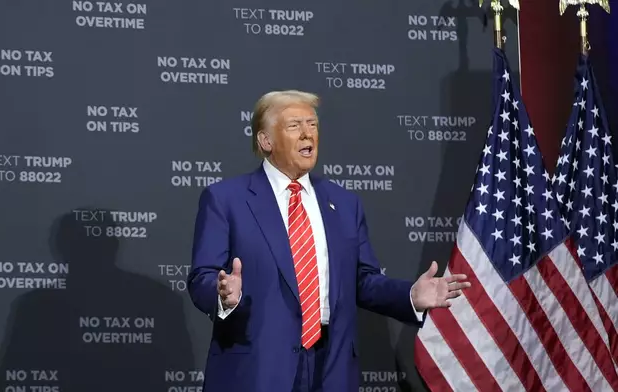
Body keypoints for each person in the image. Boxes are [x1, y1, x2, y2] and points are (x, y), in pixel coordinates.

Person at [187, 90, 470, 392]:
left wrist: (410, 296)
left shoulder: (345, 204)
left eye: (313, 124)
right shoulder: (226, 199)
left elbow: (363, 280)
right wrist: (223, 296)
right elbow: (202, 276)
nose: (308, 134)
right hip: (257, 370)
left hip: (331, 368)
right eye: (294, 125)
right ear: (265, 141)